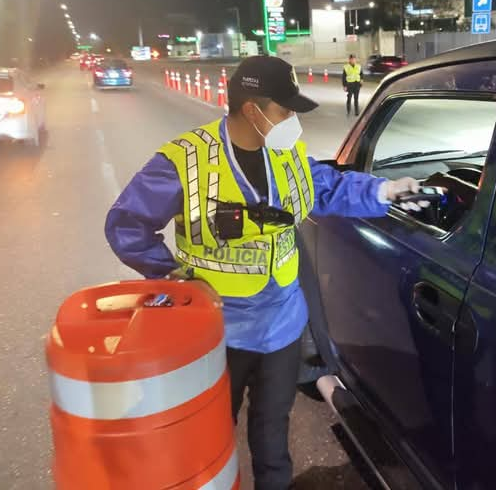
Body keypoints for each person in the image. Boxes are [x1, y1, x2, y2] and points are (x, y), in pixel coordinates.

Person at [104, 55, 423, 490]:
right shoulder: (186, 159)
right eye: (285, 109)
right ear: (253, 109)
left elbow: (324, 187)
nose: (292, 119)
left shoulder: (285, 152)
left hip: (282, 324)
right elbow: (126, 224)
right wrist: (177, 278)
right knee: (211, 436)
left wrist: (384, 190)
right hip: (218, 332)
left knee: (273, 432)